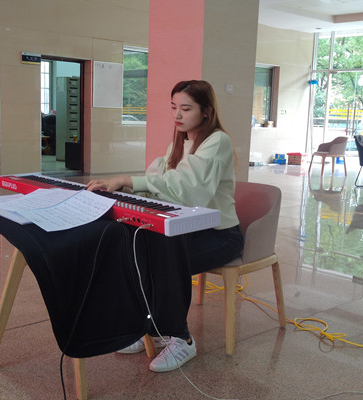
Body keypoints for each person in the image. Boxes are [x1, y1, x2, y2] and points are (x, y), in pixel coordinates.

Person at [86, 80, 244, 372]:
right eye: (174, 107)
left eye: (186, 108)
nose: (178, 115)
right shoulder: (179, 144)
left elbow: (189, 190)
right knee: (138, 246)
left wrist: (129, 180)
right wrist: (125, 189)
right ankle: (153, 329)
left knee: (163, 256)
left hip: (221, 236)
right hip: (189, 229)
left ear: (206, 111)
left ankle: (181, 338)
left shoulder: (217, 141)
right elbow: (165, 187)